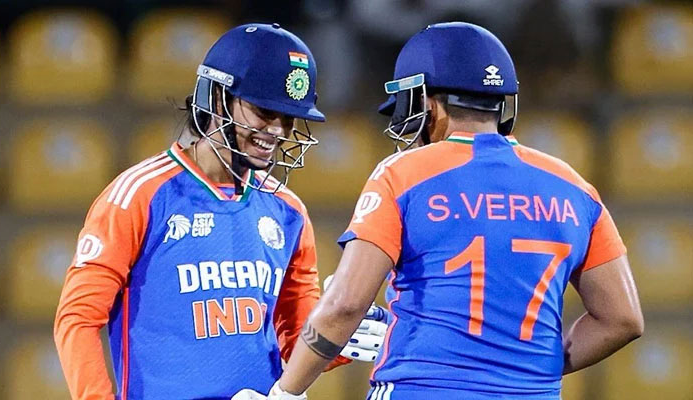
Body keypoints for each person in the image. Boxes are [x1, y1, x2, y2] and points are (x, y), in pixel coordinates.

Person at [266, 22, 644, 399]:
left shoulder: (404, 174)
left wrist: (286, 391)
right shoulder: (574, 187)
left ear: (427, 103)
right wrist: (520, 366)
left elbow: (346, 304)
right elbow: (622, 319)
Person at [54, 23, 384, 400]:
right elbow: (78, 318)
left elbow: (294, 341)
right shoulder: (139, 194)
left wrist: (335, 336)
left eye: (288, 117)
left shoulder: (288, 211)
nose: (277, 130)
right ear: (216, 99)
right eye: (264, 111)